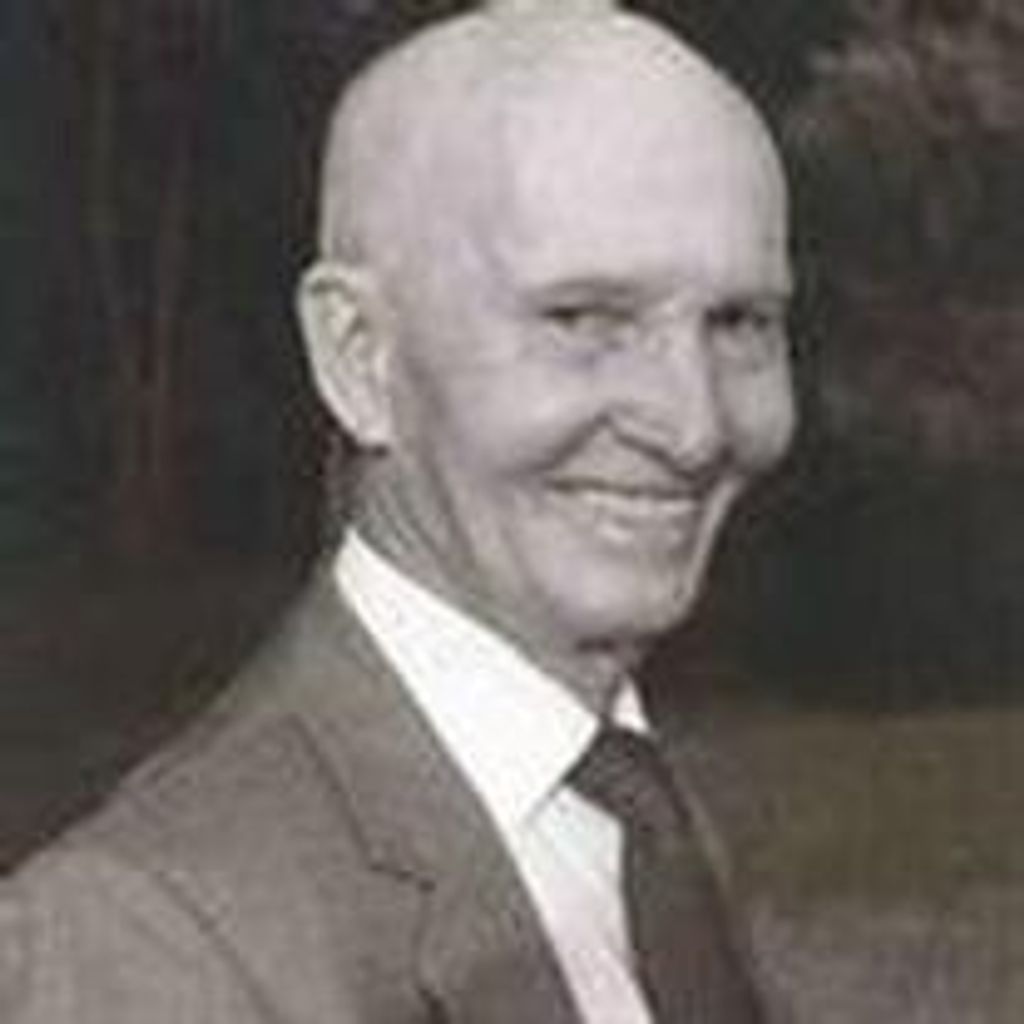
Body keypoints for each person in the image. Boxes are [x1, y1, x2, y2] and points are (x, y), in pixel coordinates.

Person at [0, 1, 796, 1020]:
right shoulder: (145, 940)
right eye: (582, 318)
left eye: (739, 322)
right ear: (359, 357)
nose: (694, 425)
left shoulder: (632, 812)